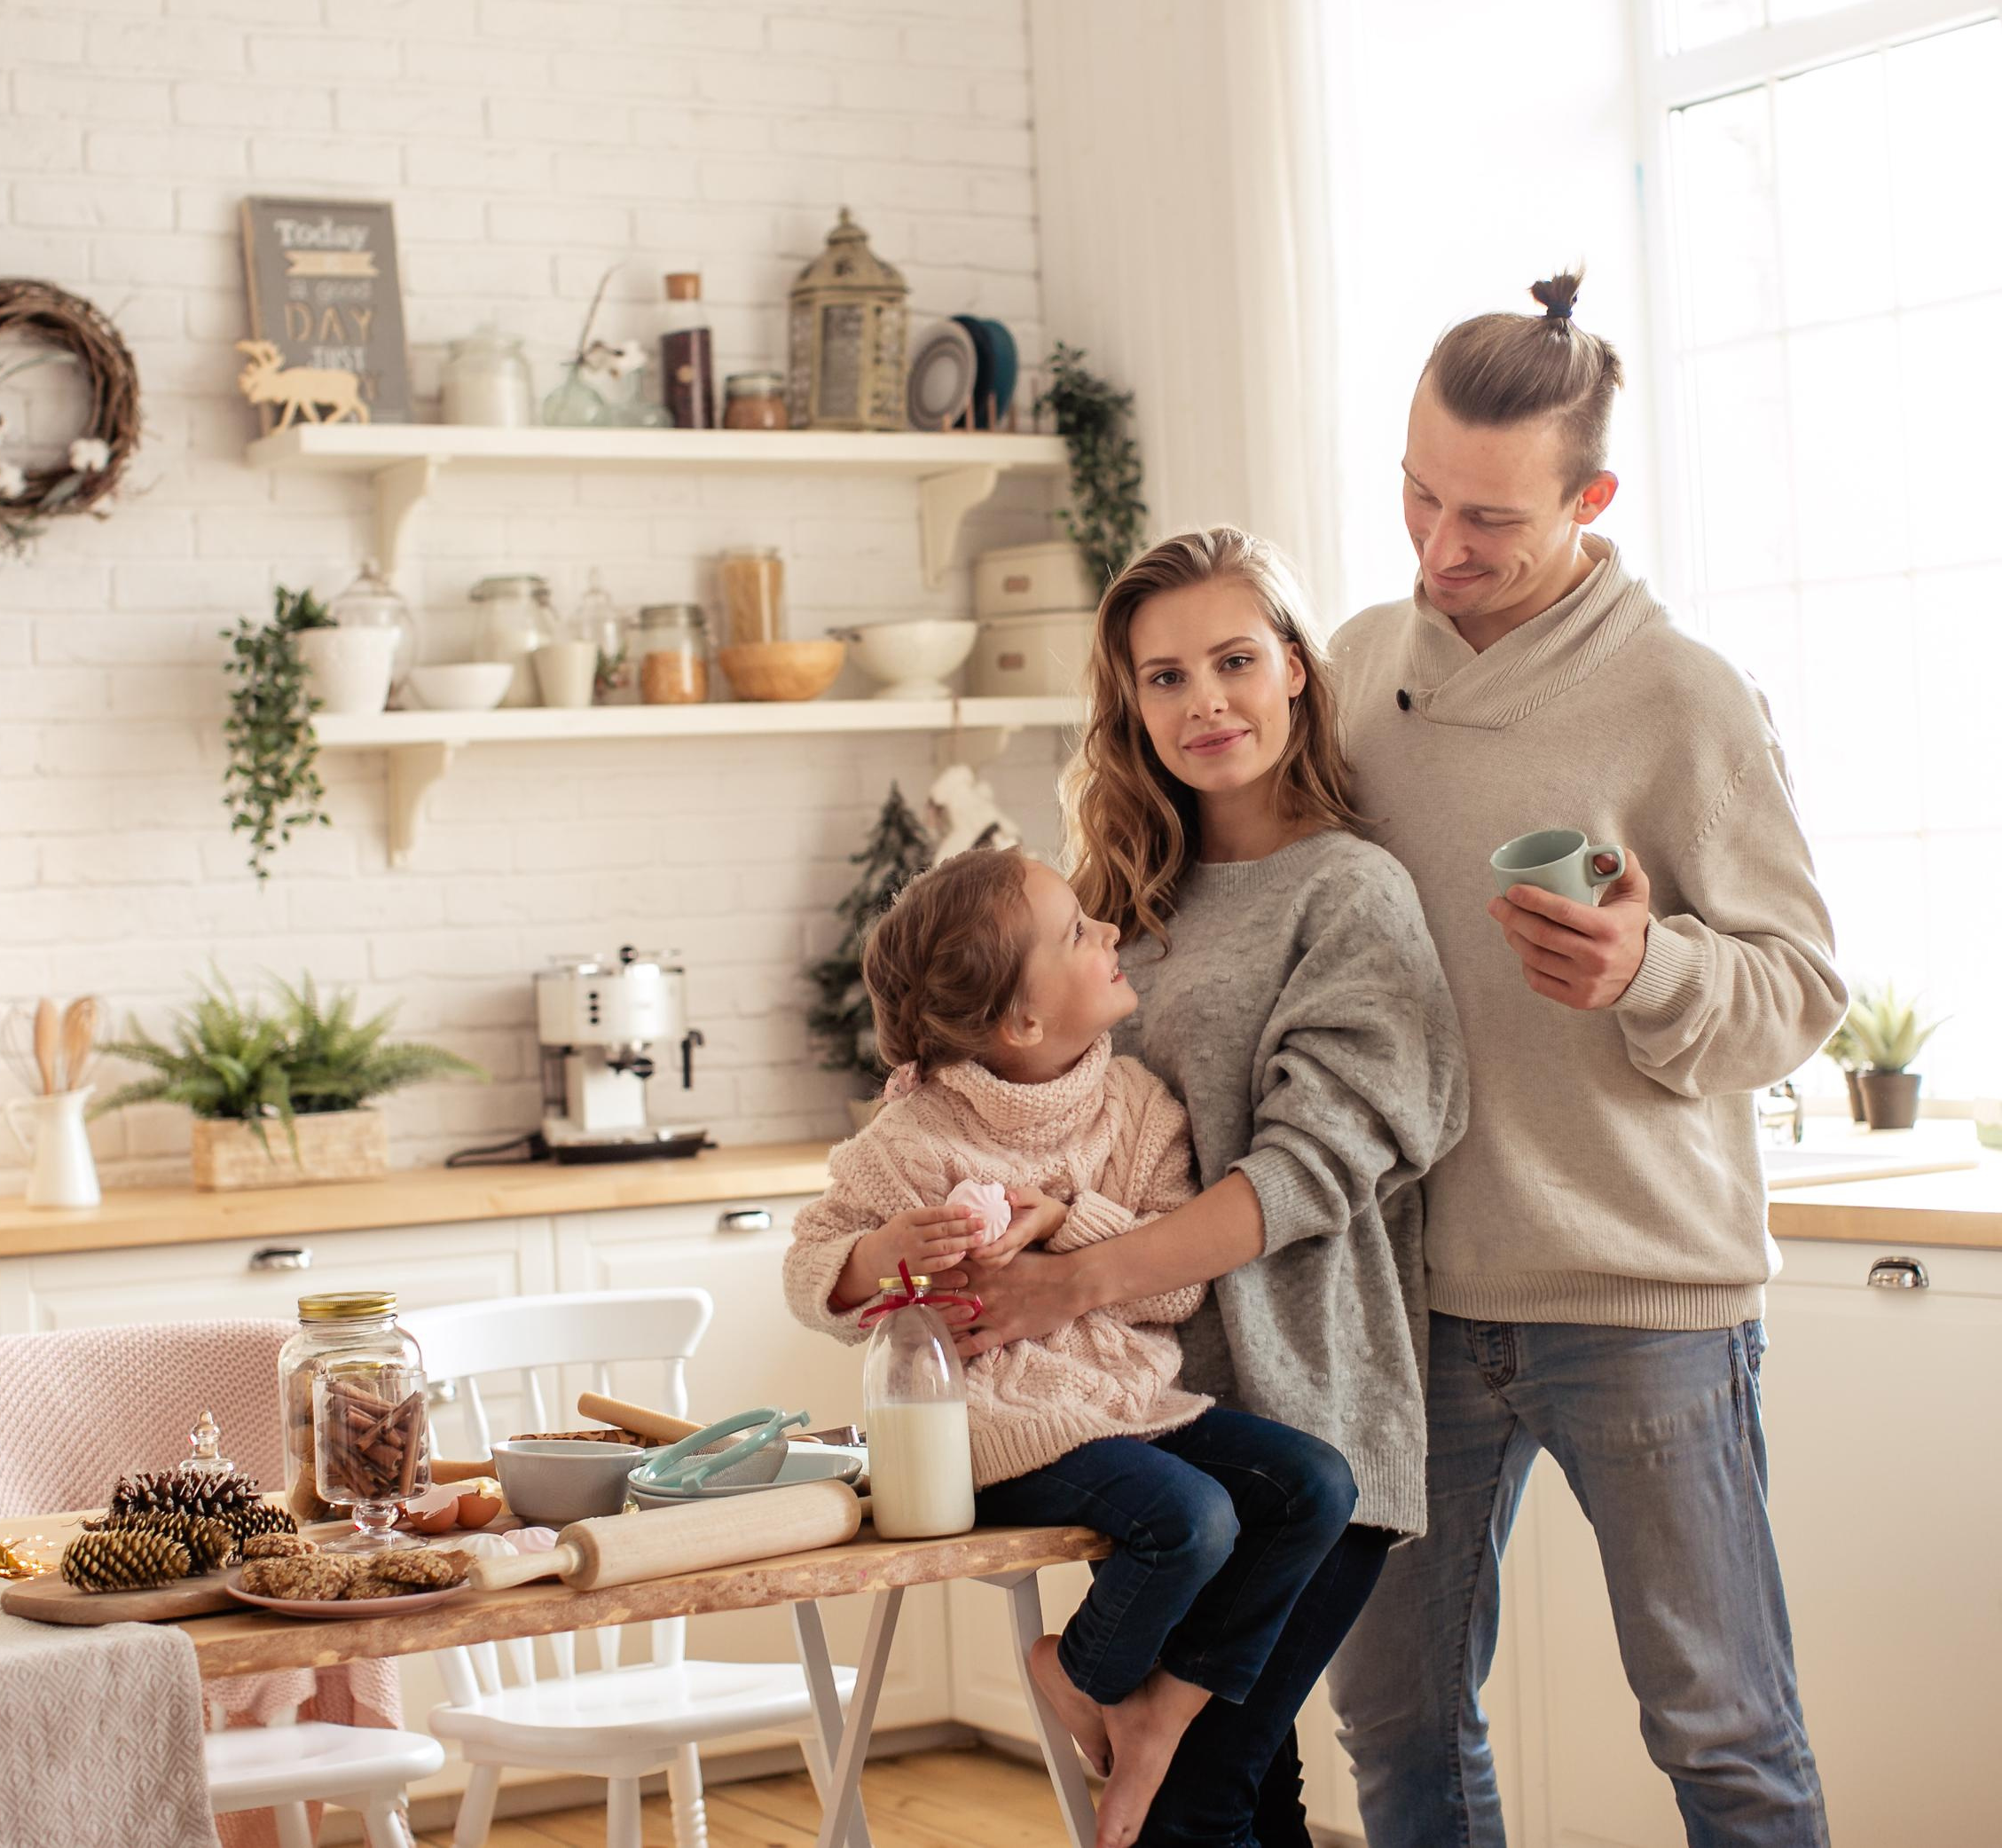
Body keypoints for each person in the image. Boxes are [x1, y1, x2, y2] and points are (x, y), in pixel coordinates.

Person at [1321, 269, 1843, 1845]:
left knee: (1725, 1732)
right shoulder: (1355, 668)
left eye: (1488, 518)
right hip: (1411, 1299)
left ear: (1591, 497)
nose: (1438, 549)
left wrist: (1646, 963)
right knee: (1397, 1725)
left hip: (1642, 1297)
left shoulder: (1681, 696)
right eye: (1418, 494)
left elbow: (1801, 984)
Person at [952, 528, 1469, 1847]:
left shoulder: (1353, 892)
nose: (1204, 704)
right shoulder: (1126, 894)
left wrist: (1065, 1282)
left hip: (1312, 1420)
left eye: (1235, 661)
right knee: (1239, 1795)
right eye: (1164, 676)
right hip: (1157, 1422)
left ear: (1296, 670)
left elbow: (1307, 1174)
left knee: (1201, 1799)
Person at [783, 845, 1361, 1848]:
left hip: (1130, 1408)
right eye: (1075, 931)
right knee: (1192, 1520)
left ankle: (1146, 1700)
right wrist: (876, 1254)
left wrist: (1065, 1218)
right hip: (991, 1432)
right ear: (1021, 1021)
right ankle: (1093, 1676)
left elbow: (1176, 1283)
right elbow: (807, 1271)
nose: (1107, 932)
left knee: (1314, 1483)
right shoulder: (912, 1136)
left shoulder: (1137, 1108)